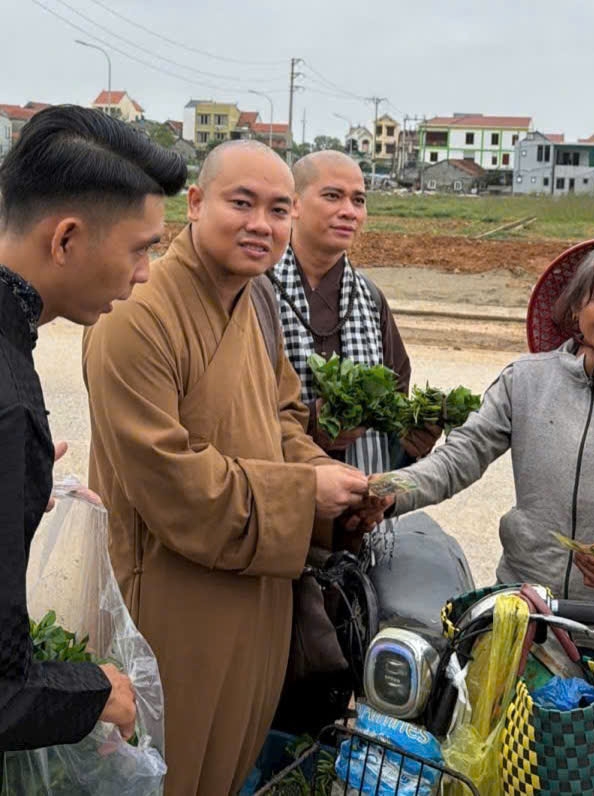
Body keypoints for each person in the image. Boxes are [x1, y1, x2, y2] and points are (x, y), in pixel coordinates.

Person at [370, 240, 594, 796]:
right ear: (577, 305)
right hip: (529, 629)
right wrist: (388, 490)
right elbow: (461, 456)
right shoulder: (525, 381)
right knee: (520, 778)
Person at [82, 140, 370, 795]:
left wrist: (336, 484)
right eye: (241, 203)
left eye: (277, 210)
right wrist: (304, 493)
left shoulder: (255, 301)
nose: (260, 225)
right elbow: (169, 477)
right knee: (165, 771)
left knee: (230, 766)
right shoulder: (137, 314)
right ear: (194, 203)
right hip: (170, 595)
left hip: (259, 584)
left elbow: (284, 421)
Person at [0, 105, 186, 751]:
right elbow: (4, 694)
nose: (143, 275)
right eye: (139, 250)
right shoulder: (12, 405)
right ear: (66, 239)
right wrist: (98, 692)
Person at [270, 150, 439, 490]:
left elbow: (394, 403)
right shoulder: (256, 291)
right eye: (333, 196)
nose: (349, 211)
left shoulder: (369, 299)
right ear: (294, 204)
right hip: (280, 493)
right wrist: (310, 425)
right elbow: (230, 409)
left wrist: (413, 436)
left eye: (358, 200)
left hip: (356, 503)